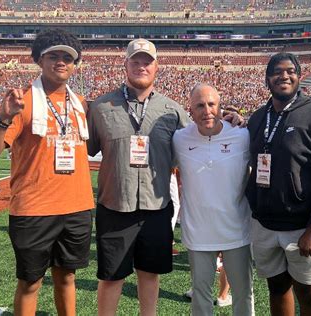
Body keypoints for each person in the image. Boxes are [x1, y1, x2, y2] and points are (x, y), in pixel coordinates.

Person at [87, 39, 243, 316]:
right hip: (114, 206)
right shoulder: (101, 107)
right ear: (125, 65)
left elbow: (204, 136)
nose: (141, 66)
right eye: (135, 61)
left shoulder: (173, 111)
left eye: (147, 61)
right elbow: (85, 150)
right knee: (111, 277)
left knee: (150, 275)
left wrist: (230, 123)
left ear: (157, 67)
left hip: (156, 207)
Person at [0, 29, 94, 315]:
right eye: (53, 55)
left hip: (77, 206)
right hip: (34, 208)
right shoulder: (23, 102)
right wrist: (3, 119)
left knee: (67, 277)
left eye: (68, 57)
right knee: (30, 282)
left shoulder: (80, 103)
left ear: (75, 64)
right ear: (39, 60)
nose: (61, 61)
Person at [246, 52, 311, 315]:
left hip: (303, 225)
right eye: (277, 71)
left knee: (310, 296)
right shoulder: (258, 118)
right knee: (277, 290)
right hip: (265, 224)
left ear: (299, 76)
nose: (284, 76)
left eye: (290, 71)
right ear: (268, 79)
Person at [173, 83, 254, 316]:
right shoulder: (179, 138)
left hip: (236, 229)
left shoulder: (242, 135)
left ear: (220, 107)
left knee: (243, 292)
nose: (206, 110)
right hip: (198, 231)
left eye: (211, 104)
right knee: (201, 294)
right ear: (190, 108)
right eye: (200, 105)